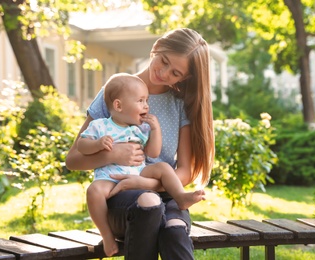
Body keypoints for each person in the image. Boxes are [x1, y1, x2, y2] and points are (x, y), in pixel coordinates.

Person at [66, 28, 215, 260]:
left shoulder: (179, 104)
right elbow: (72, 160)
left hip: (166, 192)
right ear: (157, 47)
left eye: (175, 73)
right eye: (163, 61)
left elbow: (184, 171)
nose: (164, 73)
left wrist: (145, 182)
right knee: (149, 203)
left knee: (175, 229)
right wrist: (111, 156)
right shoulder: (116, 92)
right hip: (121, 197)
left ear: (184, 78)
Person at [77, 73, 206, 256]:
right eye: (141, 101)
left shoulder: (138, 129)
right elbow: (81, 146)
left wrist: (156, 130)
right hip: (110, 177)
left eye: (146, 100)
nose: (146, 105)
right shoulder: (100, 126)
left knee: (163, 167)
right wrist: (99, 145)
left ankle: (181, 196)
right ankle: (107, 236)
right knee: (94, 191)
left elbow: (152, 153)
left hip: (139, 172)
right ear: (118, 105)